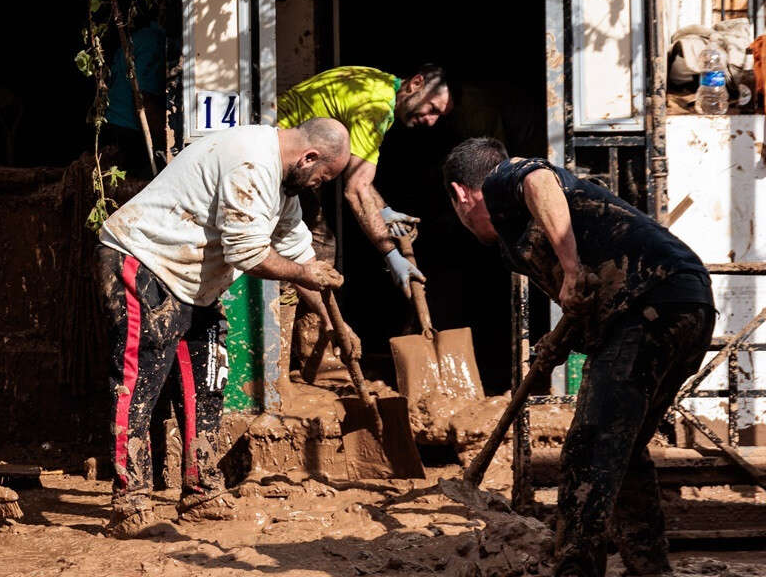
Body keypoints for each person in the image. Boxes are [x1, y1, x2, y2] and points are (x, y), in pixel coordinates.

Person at [442, 138, 714, 577]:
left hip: (650, 303)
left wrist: (569, 266)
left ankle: (576, 569)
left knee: (588, 451)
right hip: (686, 303)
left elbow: (537, 179)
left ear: (460, 194)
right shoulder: (518, 236)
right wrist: (560, 341)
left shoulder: (504, 179)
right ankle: (650, 567)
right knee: (623, 450)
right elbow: (589, 301)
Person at [97, 117, 351, 537]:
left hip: (191, 282)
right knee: (138, 383)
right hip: (143, 260)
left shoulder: (283, 184)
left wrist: (333, 321)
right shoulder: (251, 162)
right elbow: (247, 253)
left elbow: (299, 251)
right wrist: (307, 277)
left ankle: (201, 491)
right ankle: (130, 501)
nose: (316, 185)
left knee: (207, 378)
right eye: (321, 176)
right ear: (308, 158)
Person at [275, 64, 451, 296]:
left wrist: (383, 210)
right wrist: (391, 254)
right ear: (416, 84)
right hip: (284, 157)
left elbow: (357, 171)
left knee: (315, 247)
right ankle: (294, 317)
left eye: (438, 115)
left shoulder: (377, 82)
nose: (431, 121)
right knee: (319, 250)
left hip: (283, 142)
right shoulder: (375, 108)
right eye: (432, 108)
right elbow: (356, 189)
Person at [103, 16, 169, 175]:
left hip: (113, 123)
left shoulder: (140, 37)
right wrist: (164, 141)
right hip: (129, 131)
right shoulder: (155, 42)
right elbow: (144, 100)